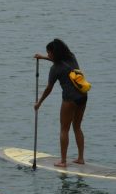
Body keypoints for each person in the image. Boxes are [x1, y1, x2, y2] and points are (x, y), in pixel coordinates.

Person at [34, 38, 87, 168]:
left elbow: (48, 89)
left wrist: (39, 103)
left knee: (64, 129)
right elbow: (57, 59)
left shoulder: (55, 69)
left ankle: (63, 161)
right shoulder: (71, 57)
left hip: (69, 99)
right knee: (77, 127)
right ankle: (80, 158)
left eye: (49, 53)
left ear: (54, 53)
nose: (48, 55)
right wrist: (42, 57)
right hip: (83, 96)